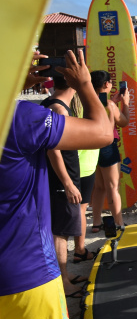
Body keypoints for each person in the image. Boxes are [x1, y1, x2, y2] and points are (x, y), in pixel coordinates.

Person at [1, 49, 113, 319]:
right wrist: (85, 85)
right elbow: (103, 133)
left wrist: (11, 83)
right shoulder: (21, 118)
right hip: (27, 271)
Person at [41, 72, 91, 299]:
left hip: (64, 177)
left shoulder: (55, 104)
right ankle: (63, 283)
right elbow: (53, 150)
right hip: (61, 180)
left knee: (63, 230)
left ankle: (65, 275)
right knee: (60, 232)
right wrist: (68, 183)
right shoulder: (58, 108)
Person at [89, 70, 131, 232]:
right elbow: (124, 122)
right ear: (106, 84)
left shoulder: (88, 101)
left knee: (99, 187)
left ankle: (96, 223)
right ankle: (119, 223)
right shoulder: (109, 105)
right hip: (107, 145)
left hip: (91, 145)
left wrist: (113, 101)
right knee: (113, 187)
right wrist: (125, 103)